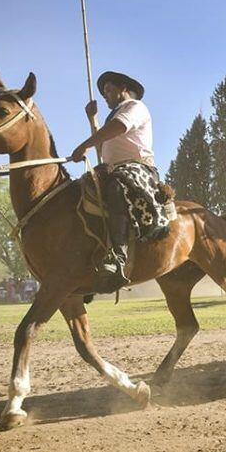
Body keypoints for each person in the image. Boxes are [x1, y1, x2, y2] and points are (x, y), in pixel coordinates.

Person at [71, 71, 160, 293]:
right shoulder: (112, 118)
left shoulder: (135, 107)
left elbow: (119, 128)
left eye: (109, 90)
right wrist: (92, 120)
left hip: (137, 169)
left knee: (117, 186)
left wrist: (85, 145)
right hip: (113, 169)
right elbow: (103, 149)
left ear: (123, 88)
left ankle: (118, 256)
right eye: (103, 93)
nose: (106, 96)